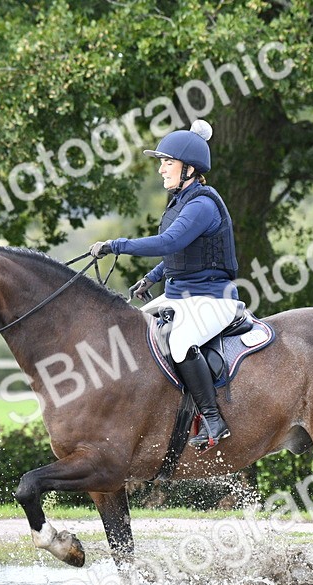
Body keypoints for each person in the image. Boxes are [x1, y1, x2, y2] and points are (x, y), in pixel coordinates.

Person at [91, 119, 244, 450]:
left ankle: (213, 419)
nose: (161, 169)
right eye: (161, 162)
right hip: (179, 296)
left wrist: (115, 245)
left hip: (212, 299)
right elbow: (181, 253)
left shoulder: (201, 205)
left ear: (189, 168)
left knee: (181, 342)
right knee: (128, 331)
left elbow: (168, 242)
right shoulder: (181, 201)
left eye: (167, 162)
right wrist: (153, 277)